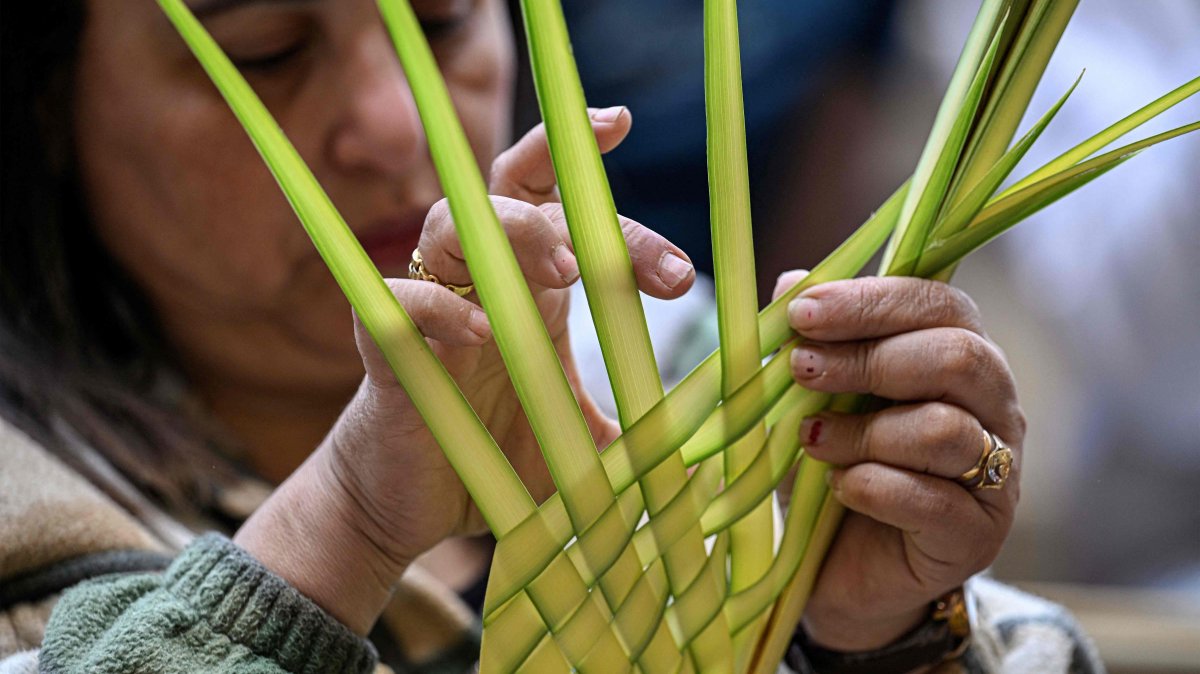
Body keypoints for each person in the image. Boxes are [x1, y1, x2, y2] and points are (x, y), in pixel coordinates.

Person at [0, 1, 1099, 672]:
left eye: (441, 20)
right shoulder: (28, 505)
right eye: (268, 50)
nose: (393, 123)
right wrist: (348, 523)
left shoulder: (692, 382)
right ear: (48, 98)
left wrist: (882, 637)